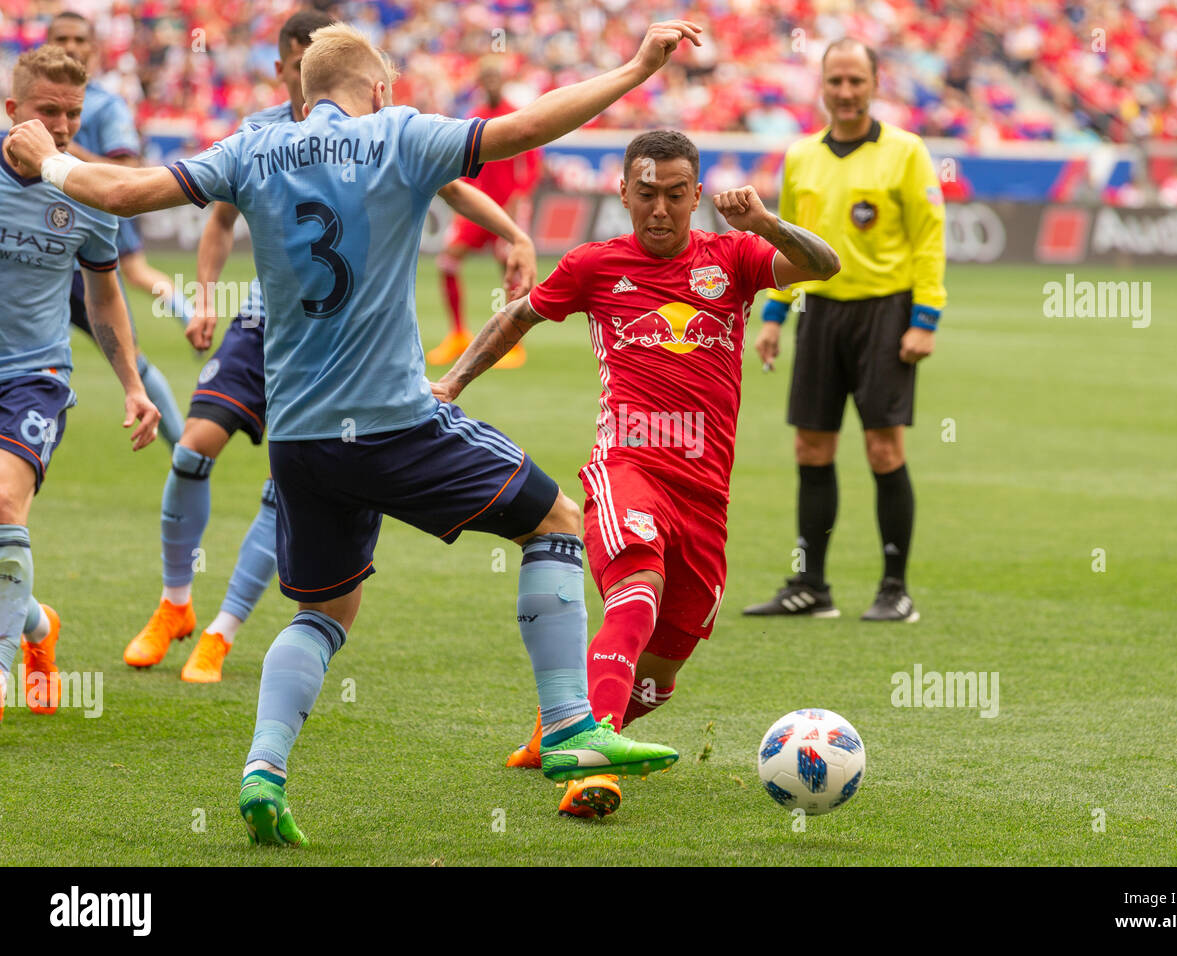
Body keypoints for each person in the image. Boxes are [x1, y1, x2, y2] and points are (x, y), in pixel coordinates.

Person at [8, 18, 704, 844]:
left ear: (303, 91)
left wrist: (45, 160)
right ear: (377, 90)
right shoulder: (400, 135)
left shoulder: (254, 148)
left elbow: (123, 194)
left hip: (301, 439)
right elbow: (528, 127)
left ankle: (264, 772)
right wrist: (632, 67)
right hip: (393, 421)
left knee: (323, 611)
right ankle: (567, 726)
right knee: (555, 521)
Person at [434, 129, 839, 818]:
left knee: (664, 671)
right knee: (637, 585)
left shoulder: (734, 258)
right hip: (627, 466)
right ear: (622, 192)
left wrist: (767, 222)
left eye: (675, 195)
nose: (659, 209)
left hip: (706, 491)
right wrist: (450, 383)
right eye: (645, 194)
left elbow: (824, 266)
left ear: (696, 195)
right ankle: (593, 769)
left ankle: (561, 725)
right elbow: (518, 316)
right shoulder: (595, 265)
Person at [135, 9, 542, 684]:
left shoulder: (376, 137)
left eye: (310, 62)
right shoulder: (259, 135)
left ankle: (222, 629)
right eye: (294, 64)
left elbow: (448, 182)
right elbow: (217, 222)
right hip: (267, 322)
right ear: (285, 68)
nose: (301, 78)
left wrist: (514, 233)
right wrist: (204, 295)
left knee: (291, 482)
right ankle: (175, 601)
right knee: (195, 446)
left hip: (345, 343)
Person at [743, 38, 946, 623]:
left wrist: (924, 319)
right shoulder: (802, 156)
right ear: (823, 86)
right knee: (811, 446)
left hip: (886, 311)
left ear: (875, 83)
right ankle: (812, 587)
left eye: (857, 80)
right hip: (819, 314)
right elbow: (789, 243)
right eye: (836, 81)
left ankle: (894, 590)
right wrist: (775, 315)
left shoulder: (906, 152)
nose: (847, 92)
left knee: (883, 449)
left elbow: (930, 240)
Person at [0, 45, 161, 724]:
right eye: (48, 112)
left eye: (73, 114)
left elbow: (104, 300)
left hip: (35, 376)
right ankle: (38, 625)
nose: (63, 127)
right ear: (13, 112)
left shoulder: (89, 193)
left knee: (6, 506)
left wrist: (132, 383)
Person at [47, 10, 186, 447]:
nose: (70, 46)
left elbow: (127, 172)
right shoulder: (27, 105)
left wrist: (60, 156)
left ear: (94, 48)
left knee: (131, 358)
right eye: (61, 38)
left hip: (89, 243)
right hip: (33, 250)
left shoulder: (106, 106)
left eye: (79, 39)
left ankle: (185, 455)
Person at [425, 58, 541, 370]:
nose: (491, 83)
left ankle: (512, 343)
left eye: (495, 77)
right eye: (485, 78)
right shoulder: (474, 117)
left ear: (503, 81)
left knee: (510, 267)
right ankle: (458, 334)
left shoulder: (516, 114)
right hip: (479, 208)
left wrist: (518, 198)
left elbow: (531, 167)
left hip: (507, 209)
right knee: (447, 260)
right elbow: (462, 165)